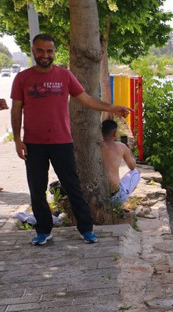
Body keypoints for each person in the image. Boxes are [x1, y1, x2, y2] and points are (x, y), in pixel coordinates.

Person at [10, 33, 130, 245]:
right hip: (33, 144)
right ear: (33, 51)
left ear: (54, 52)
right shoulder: (22, 78)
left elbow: (86, 99)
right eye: (40, 50)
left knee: (73, 186)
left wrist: (112, 108)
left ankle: (86, 229)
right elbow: (16, 109)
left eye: (49, 51)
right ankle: (44, 230)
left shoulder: (64, 75)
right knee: (37, 190)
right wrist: (17, 140)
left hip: (61, 142)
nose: (45, 55)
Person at [100, 119, 140, 206]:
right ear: (115, 133)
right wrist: (129, 151)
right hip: (114, 198)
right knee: (135, 173)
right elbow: (132, 166)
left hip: (97, 196)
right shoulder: (121, 146)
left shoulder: (96, 145)